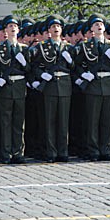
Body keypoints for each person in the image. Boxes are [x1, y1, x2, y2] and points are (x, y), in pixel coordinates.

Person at [30, 14, 75, 163]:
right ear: (49, 30)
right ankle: (51, 152)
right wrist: (42, 75)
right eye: (53, 26)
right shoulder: (42, 47)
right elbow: (34, 66)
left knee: (63, 120)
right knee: (49, 121)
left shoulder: (68, 47)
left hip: (64, 85)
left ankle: (63, 151)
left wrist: (70, 61)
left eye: (58, 26)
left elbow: (74, 67)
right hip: (49, 85)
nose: (56, 28)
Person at [74, 13, 110, 161]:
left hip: (108, 85)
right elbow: (77, 65)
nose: (99, 26)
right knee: (92, 120)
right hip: (93, 85)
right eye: (95, 24)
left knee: (107, 120)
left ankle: (105, 149)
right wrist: (84, 74)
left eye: (101, 24)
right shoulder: (86, 46)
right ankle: (93, 150)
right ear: (92, 29)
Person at [0, 15, 31, 164]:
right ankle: (6, 153)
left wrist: (24, 62)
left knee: (19, 122)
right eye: (9, 27)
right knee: (5, 121)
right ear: (6, 30)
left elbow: (29, 70)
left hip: (19, 87)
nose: (12, 28)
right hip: (5, 87)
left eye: (15, 26)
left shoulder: (24, 49)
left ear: (18, 30)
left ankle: (18, 152)